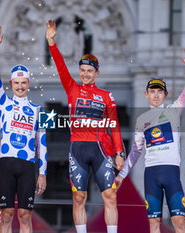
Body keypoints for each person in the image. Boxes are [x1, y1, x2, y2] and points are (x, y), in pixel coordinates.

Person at [46, 20, 125, 233]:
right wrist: (52, 42)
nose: (85, 74)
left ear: (97, 73)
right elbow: (61, 66)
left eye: (90, 71)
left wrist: (119, 152)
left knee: (110, 195)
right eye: (82, 70)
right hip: (78, 149)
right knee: (78, 196)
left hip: (102, 150)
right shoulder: (72, 88)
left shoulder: (106, 96)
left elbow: (115, 126)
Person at [116, 47, 185, 233]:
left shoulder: (173, 111)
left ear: (165, 95)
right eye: (152, 91)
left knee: (179, 222)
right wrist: (121, 176)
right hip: (151, 175)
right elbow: (136, 151)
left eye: (159, 92)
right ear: (146, 94)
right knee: (153, 224)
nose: (155, 95)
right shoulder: (141, 120)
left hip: (171, 173)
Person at [0, 25, 47, 233]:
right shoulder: (3, 102)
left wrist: (43, 173)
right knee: (6, 215)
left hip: (27, 167)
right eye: (16, 83)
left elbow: (44, 144)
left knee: (25, 215)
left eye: (24, 83)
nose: (20, 86)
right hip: (7, 164)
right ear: (11, 83)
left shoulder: (39, 110)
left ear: (28, 83)